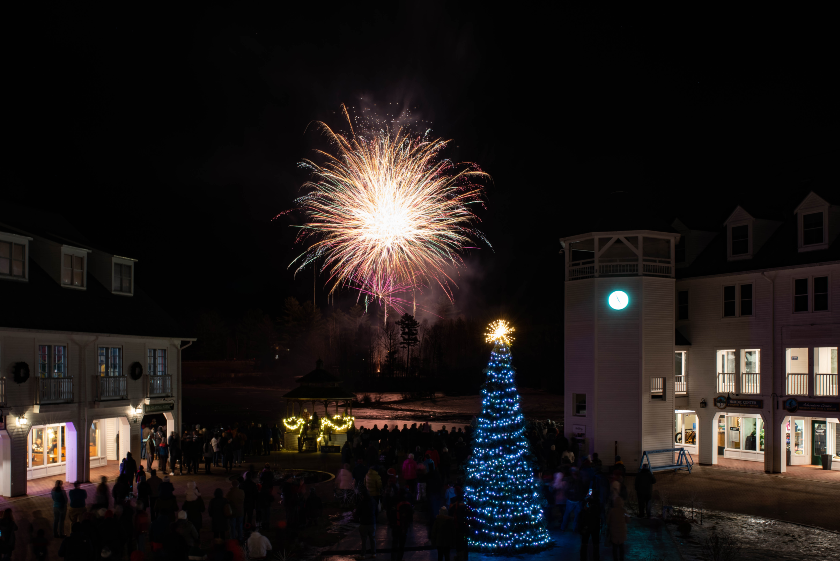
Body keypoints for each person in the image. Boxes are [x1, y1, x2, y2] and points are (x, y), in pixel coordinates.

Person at [578, 487, 601, 561]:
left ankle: (583, 558)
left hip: (587, 525)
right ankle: (596, 558)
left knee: (584, 543)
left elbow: (585, 510)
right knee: (595, 544)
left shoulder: (588, 502)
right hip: (595, 525)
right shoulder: (599, 502)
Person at [357, 486, 376, 559]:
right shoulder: (373, 501)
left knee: (364, 540)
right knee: (372, 539)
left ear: (363, 495)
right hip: (372, 523)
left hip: (364, 523)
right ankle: (373, 553)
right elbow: (376, 511)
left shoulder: (362, 503)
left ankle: (363, 554)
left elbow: (358, 512)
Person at [608, 496, 627, 561]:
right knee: (621, 548)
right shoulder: (624, 511)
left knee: (614, 548)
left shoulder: (612, 511)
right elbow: (628, 520)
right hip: (622, 533)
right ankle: (621, 559)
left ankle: (615, 559)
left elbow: (608, 521)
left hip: (614, 533)